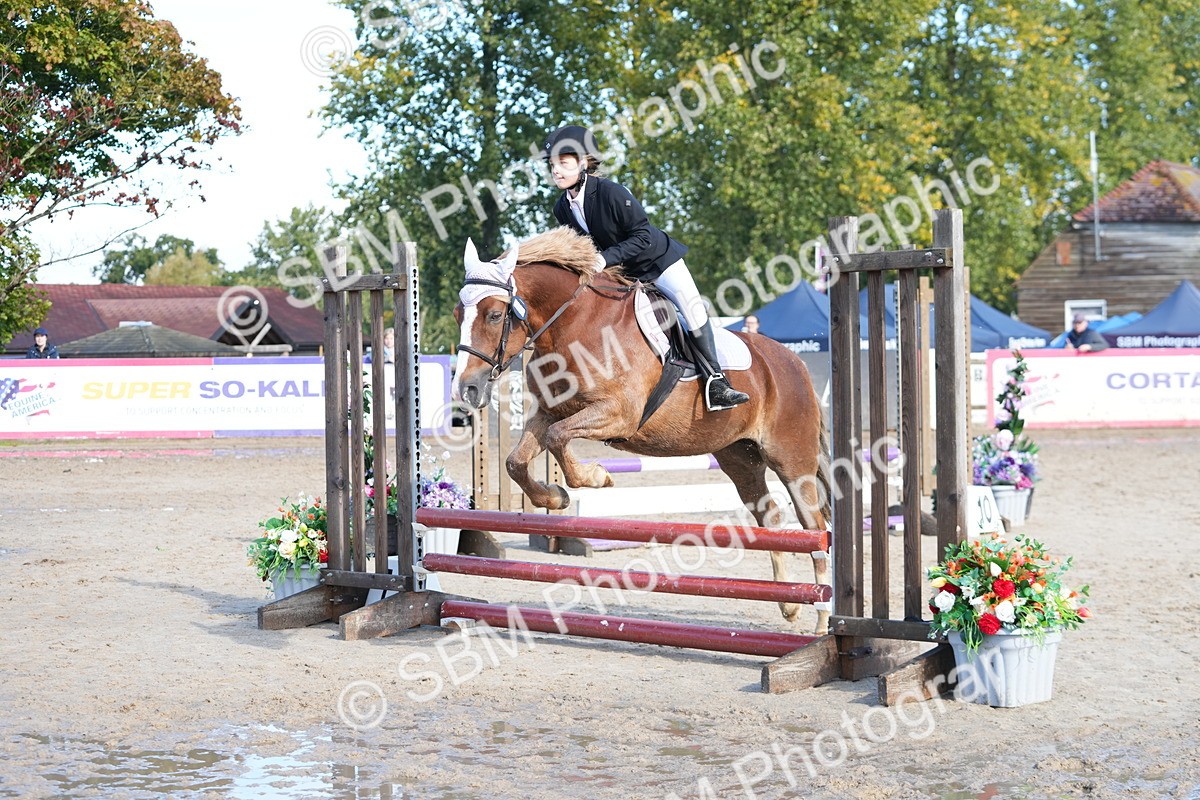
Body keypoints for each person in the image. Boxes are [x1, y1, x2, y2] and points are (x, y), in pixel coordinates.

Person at [542, 124, 749, 411]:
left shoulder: (611, 193)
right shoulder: (561, 207)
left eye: (563, 164)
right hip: (621, 274)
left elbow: (642, 236)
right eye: (552, 165)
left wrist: (604, 258)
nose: (556, 171)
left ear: (584, 162)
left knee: (692, 309)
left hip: (658, 262)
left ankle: (717, 381)